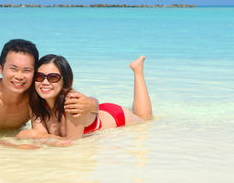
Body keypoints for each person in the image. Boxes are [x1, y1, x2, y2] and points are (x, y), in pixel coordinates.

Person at [0, 39, 99, 149]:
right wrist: (18, 147)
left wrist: (90, 103)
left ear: (34, 72)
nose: (19, 76)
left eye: (26, 70)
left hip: (13, 127)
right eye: (13, 69)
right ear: (0, 68)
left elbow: (71, 94)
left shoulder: (37, 89)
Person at [17, 54, 152, 141]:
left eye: (53, 77)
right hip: (97, 112)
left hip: (116, 116)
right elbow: (42, 137)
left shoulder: (73, 104)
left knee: (146, 119)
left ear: (64, 81)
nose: (45, 82)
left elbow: (72, 144)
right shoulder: (35, 102)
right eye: (39, 77)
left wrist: (35, 136)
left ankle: (138, 71)